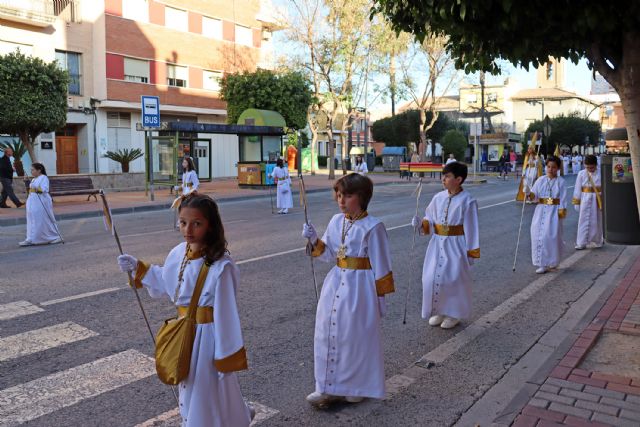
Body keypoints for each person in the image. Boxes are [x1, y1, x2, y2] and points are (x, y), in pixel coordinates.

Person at [116, 194, 253, 426]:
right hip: (185, 334)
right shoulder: (178, 252)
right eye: (183, 222)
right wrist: (138, 268)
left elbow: (227, 314)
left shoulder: (222, 265)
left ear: (210, 226)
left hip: (208, 340)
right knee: (190, 390)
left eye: (196, 223)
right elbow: (165, 281)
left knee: (206, 393)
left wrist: (225, 356)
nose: (188, 229)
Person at [301, 173, 394, 407]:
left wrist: (380, 302)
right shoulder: (336, 221)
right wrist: (314, 240)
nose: (341, 200)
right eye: (339, 194)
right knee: (328, 334)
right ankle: (325, 386)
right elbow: (329, 254)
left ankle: (356, 386)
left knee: (355, 338)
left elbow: (382, 267)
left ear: (362, 197)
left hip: (360, 288)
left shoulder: (374, 227)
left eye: (348, 195)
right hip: (335, 283)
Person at [411, 162, 480, 329]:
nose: (443, 179)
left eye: (447, 176)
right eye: (443, 175)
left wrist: (470, 252)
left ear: (459, 179)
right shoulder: (438, 197)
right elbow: (430, 219)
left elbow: (472, 228)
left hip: (456, 245)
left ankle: (454, 314)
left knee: (453, 279)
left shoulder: (468, 201)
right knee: (432, 278)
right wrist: (421, 224)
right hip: (437, 243)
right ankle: (439, 310)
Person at [524, 156, 567, 274]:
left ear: (558, 168)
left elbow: (562, 198)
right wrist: (528, 192)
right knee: (538, 235)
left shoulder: (561, 182)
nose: (550, 169)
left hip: (553, 212)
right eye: (548, 167)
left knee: (550, 237)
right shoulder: (540, 180)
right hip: (540, 211)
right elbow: (534, 196)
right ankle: (541, 263)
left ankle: (552, 261)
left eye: (553, 167)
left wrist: (561, 210)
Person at [19, 163, 63, 246]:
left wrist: (36, 188)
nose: (31, 171)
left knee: (44, 219)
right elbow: (30, 190)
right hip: (33, 201)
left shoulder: (44, 178)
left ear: (39, 170)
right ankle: (31, 238)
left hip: (41, 201)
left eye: (33, 170)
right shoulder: (34, 179)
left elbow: (44, 189)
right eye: (31, 170)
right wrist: (26, 182)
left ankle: (55, 236)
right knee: (32, 219)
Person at [572, 154, 603, 250]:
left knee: (597, 220)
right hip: (585, 199)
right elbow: (577, 188)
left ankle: (597, 241)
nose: (590, 169)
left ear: (596, 165)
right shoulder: (581, 174)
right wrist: (577, 202)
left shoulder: (601, 173)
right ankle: (581, 242)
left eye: (592, 167)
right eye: (588, 167)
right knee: (583, 221)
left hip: (597, 199)